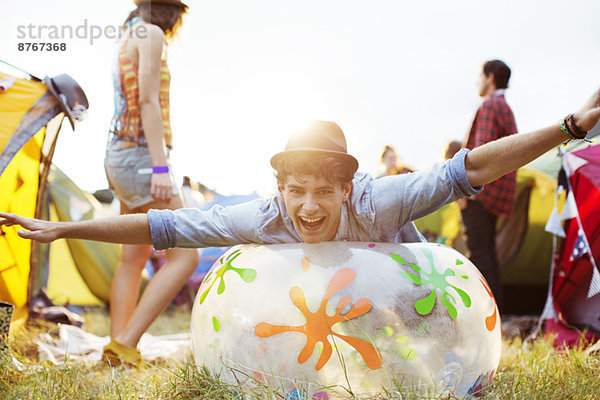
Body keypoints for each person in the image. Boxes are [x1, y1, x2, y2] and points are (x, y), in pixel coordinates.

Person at [2, 90, 599, 365]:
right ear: (281, 190)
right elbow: (167, 225)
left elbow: (468, 168)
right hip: (322, 314)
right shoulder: (263, 217)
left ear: (345, 188)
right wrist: (65, 232)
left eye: (323, 193)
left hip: (407, 308)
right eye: (297, 193)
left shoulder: (382, 200)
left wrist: (569, 127)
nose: (308, 208)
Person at [101, 0, 198, 366]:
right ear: (171, 11)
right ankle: (125, 344)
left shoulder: (129, 34)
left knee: (132, 258)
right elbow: (147, 101)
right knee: (186, 254)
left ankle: (116, 347)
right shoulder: (152, 32)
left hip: (119, 153)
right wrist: (160, 168)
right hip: (142, 156)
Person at [460, 60, 517, 310]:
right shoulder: (504, 106)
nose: (476, 81)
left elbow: (479, 154)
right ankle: (499, 313)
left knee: (480, 254)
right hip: (497, 194)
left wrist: (464, 189)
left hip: (480, 194)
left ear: (491, 77)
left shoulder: (491, 105)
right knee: (488, 254)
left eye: (480, 76)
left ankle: (486, 314)